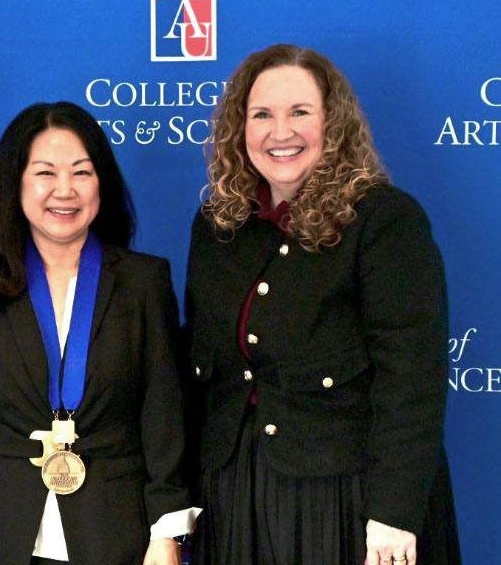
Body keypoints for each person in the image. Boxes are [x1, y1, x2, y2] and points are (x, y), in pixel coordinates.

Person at [183, 44, 460, 565]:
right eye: (261, 114)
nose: (279, 132)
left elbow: (412, 378)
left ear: (334, 126)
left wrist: (395, 514)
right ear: (239, 128)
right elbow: (202, 372)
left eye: (300, 113)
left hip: (348, 496)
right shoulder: (217, 226)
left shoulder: (384, 221)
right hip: (236, 488)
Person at [0, 102, 200, 565]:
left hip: (118, 533)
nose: (64, 190)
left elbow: (163, 416)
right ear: (16, 183)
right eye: (45, 172)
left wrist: (165, 535)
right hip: (1, 534)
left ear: (101, 182)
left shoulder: (145, 283)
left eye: (81, 173)